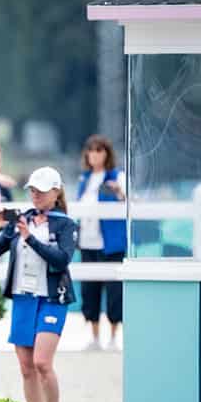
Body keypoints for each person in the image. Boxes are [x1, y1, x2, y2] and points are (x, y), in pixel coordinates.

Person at [0, 166, 77, 402]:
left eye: (42, 191)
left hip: (52, 298)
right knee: (26, 367)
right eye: (33, 190)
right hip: (22, 297)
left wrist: (31, 239)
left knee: (42, 363)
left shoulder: (65, 224)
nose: (36, 195)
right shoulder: (21, 218)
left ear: (56, 192)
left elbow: (62, 260)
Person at [74, 134, 126, 350]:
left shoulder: (117, 175)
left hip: (110, 242)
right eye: (91, 150)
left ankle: (114, 336)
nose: (94, 154)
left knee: (114, 290)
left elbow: (128, 200)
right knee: (90, 289)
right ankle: (95, 337)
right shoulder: (84, 179)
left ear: (107, 154)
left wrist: (118, 191)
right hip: (88, 241)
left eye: (99, 150)